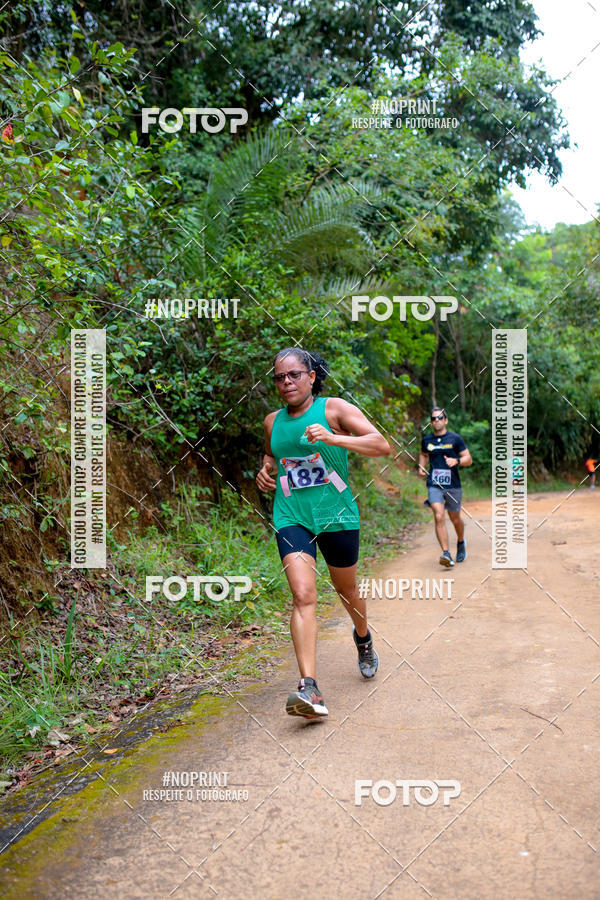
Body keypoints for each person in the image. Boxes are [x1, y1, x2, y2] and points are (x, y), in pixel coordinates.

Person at [256, 348, 391, 719]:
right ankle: (309, 688)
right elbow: (272, 454)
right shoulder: (272, 421)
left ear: (312, 376)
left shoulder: (334, 409)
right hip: (291, 515)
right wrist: (266, 472)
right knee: (302, 594)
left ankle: (362, 637)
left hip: (336, 515)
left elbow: (381, 445)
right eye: (280, 378)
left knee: (347, 591)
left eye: (294, 375)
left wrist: (333, 439)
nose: (287, 383)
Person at [418, 407, 472, 567]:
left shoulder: (455, 439)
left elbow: (469, 458)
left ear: (446, 420)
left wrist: (457, 461)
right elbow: (423, 454)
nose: (437, 421)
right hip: (434, 485)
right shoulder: (426, 440)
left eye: (440, 418)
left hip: (453, 485)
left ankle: (461, 542)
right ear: (431, 422)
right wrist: (422, 467)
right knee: (439, 516)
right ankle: (446, 553)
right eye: (434, 418)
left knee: (455, 518)